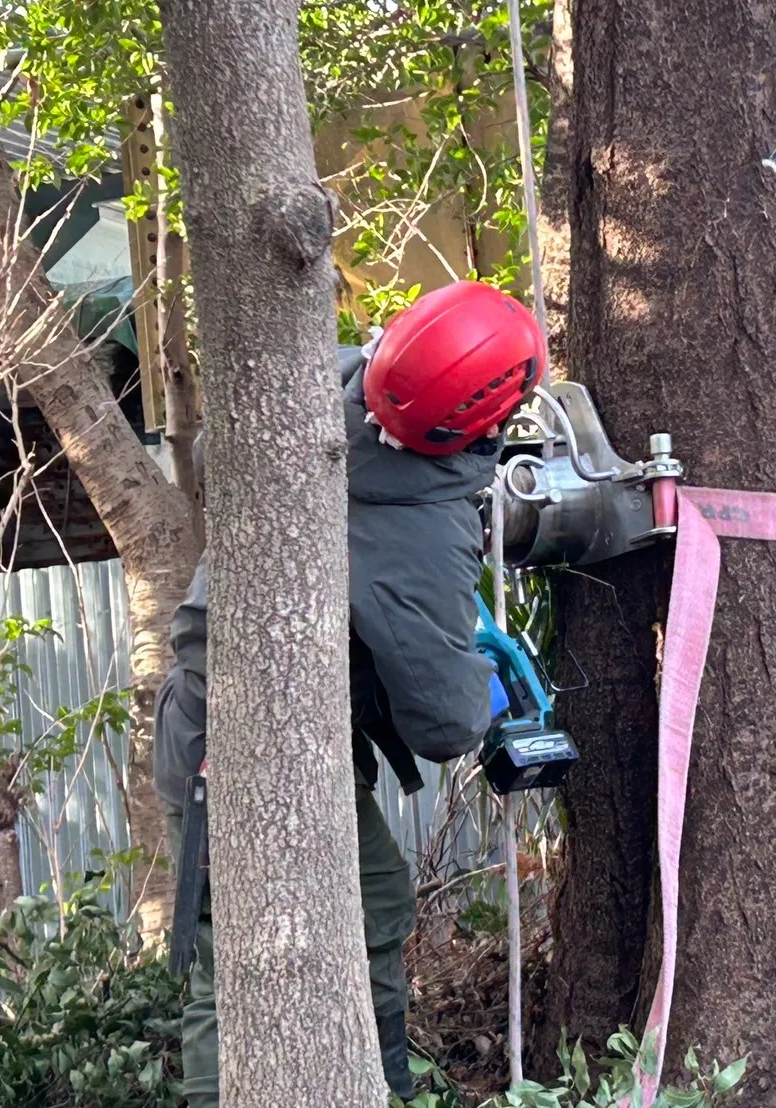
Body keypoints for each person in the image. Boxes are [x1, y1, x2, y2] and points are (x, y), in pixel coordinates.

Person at [153, 280, 546, 1106]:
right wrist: (471, 672)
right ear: (478, 419)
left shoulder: (311, 381)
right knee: (244, 965)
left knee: (370, 901)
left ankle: (367, 1084)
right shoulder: (420, 535)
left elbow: (205, 457)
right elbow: (444, 725)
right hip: (241, 751)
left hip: (218, 717)